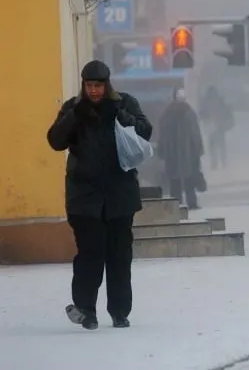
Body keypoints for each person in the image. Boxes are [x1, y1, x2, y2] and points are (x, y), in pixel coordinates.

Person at [47, 60, 153, 330]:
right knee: (90, 254)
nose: (94, 91)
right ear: (83, 85)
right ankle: (85, 310)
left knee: (119, 255)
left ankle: (120, 312)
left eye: (98, 85)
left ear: (108, 85)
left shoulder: (125, 103)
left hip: (120, 195)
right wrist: (75, 115)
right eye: (89, 85)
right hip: (85, 198)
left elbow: (145, 131)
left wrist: (123, 117)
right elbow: (55, 141)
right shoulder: (73, 108)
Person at [157, 88, 204, 209]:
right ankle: (181, 204)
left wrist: (198, 149)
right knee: (180, 181)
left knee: (185, 180)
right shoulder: (174, 114)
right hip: (180, 153)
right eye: (179, 96)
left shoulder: (177, 113)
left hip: (185, 153)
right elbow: (163, 135)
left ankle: (182, 204)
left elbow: (195, 133)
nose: (181, 98)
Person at [199, 86, 234, 170]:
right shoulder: (219, 101)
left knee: (213, 145)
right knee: (221, 144)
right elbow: (225, 111)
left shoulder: (206, 102)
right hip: (219, 125)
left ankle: (215, 162)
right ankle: (222, 160)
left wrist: (206, 118)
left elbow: (202, 114)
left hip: (212, 126)